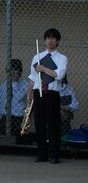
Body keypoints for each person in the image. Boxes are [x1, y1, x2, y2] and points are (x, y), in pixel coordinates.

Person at [27, 28, 67, 163]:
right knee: (39, 124)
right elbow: (33, 76)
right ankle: (41, 153)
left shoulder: (62, 58)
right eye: (48, 38)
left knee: (53, 124)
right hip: (39, 93)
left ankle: (54, 154)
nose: (50, 40)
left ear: (57, 41)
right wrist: (29, 91)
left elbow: (59, 75)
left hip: (52, 94)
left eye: (53, 38)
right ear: (44, 40)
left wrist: (43, 69)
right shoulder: (37, 56)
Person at [0, 59, 28, 140]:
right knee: (2, 126)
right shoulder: (4, 84)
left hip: (19, 116)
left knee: (19, 134)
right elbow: (1, 100)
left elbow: (18, 97)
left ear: (19, 71)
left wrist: (15, 82)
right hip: (6, 116)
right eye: (11, 71)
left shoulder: (25, 84)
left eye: (15, 70)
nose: (13, 73)